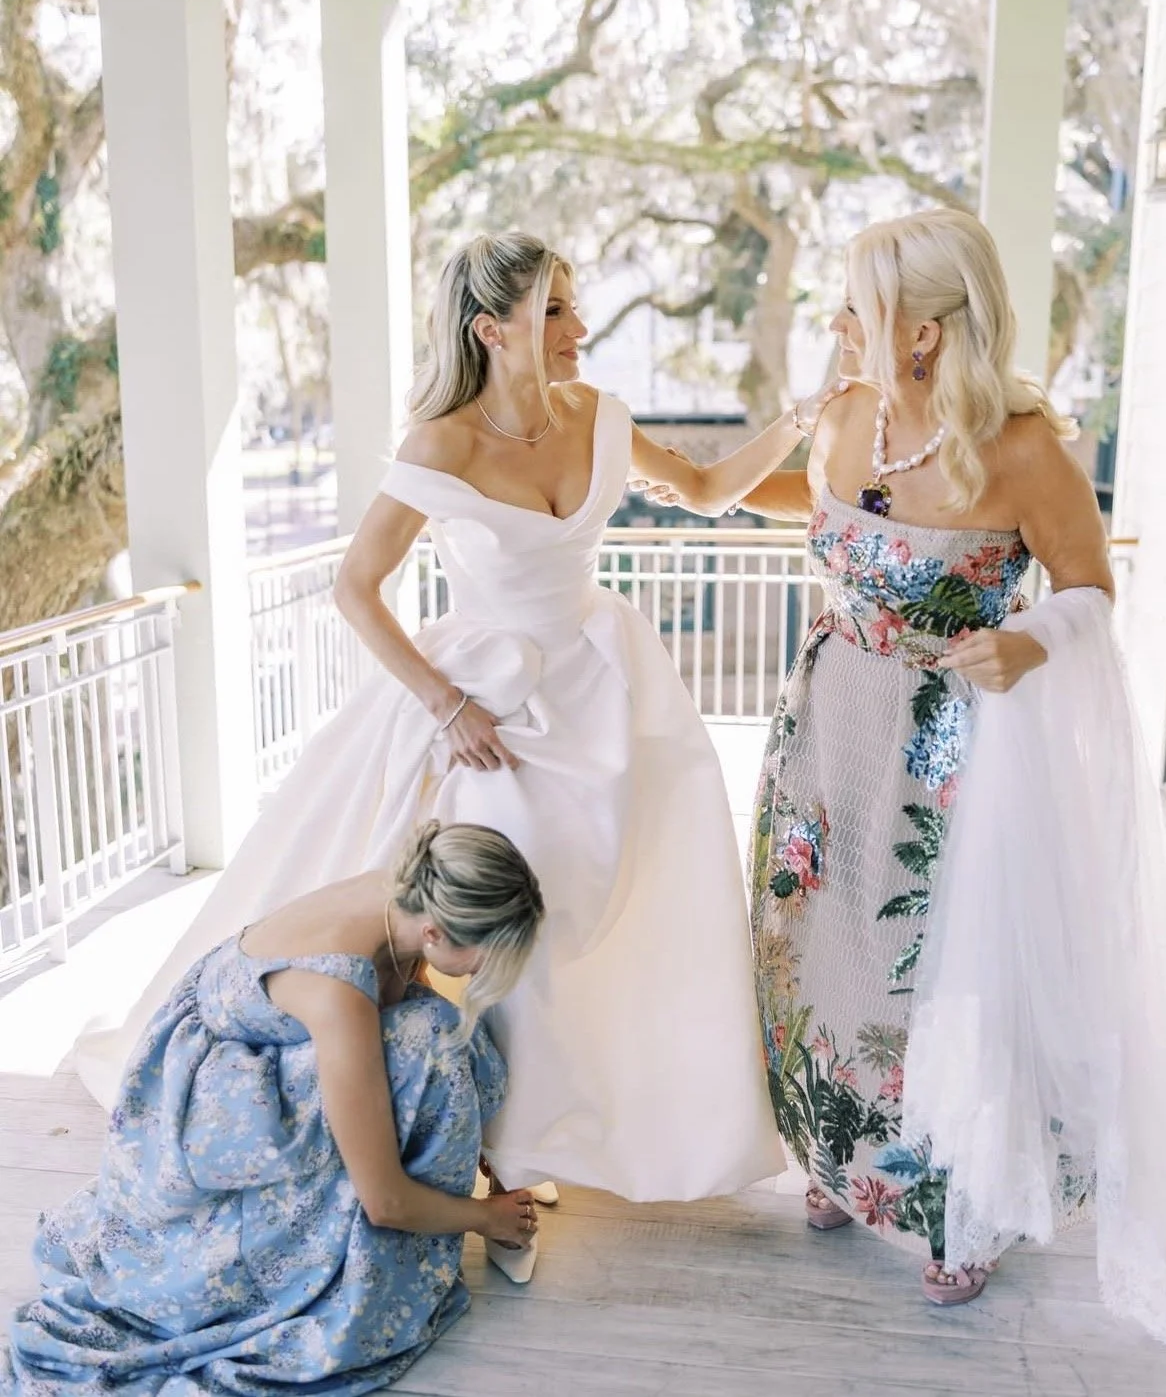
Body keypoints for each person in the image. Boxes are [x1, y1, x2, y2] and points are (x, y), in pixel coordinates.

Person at [75, 231, 847, 1284]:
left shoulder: (599, 415)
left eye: (574, 309)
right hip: (484, 701)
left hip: (602, 685)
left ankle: (576, 1131)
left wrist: (802, 421)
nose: (581, 329)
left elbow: (710, 489)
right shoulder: (437, 445)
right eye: (558, 312)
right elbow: (357, 585)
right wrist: (445, 704)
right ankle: (502, 1168)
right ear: (495, 329)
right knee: (499, 923)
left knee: (593, 910)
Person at [638, 208, 1166, 1360]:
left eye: (863, 307)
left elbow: (1092, 585)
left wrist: (1033, 640)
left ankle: (960, 1205)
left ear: (931, 333)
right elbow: (799, 501)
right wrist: (632, 453)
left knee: (944, 977)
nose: (840, 324)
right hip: (828, 727)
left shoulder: (1028, 447)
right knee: (820, 951)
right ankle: (843, 1157)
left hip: (954, 760)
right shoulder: (847, 416)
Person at [5, 821, 545, 1396]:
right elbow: (384, 1202)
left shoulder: (410, 891)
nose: (487, 971)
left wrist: (456, 1130)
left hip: (266, 1043)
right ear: (436, 933)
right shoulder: (339, 993)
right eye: (487, 956)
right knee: (435, 1037)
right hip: (220, 1100)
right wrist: (486, 1218)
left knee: (438, 1031)